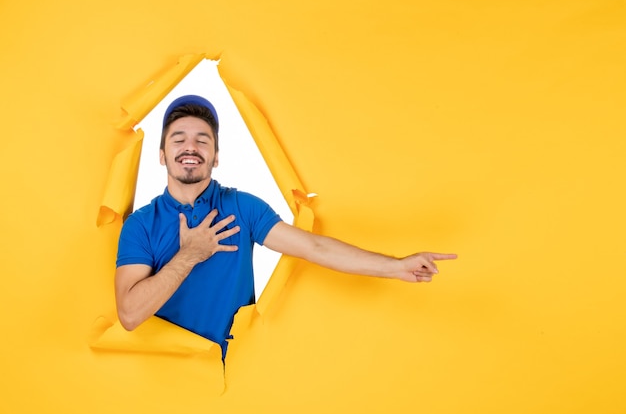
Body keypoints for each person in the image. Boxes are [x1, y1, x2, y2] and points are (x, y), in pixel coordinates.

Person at [115, 95, 457, 359]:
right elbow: (130, 314)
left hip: (235, 379)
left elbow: (314, 248)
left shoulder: (241, 208)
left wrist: (395, 266)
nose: (191, 147)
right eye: (178, 139)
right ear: (161, 154)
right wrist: (189, 254)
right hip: (164, 382)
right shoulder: (140, 226)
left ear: (216, 156)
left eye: (202, 140)